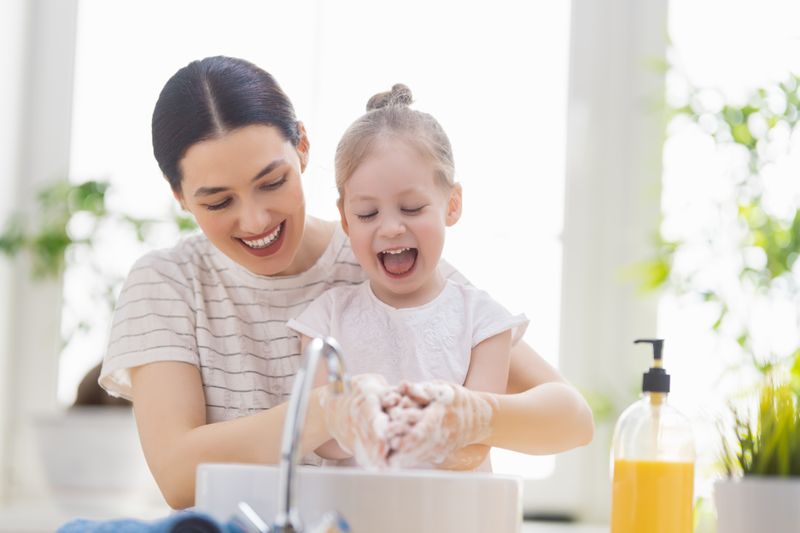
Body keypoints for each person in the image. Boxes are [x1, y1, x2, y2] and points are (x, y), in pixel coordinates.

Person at [99, 55, 594, 510]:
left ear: (302, 147)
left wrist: (475, 415)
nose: (255, 220)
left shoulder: (380, 260)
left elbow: (570, 418)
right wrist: (324, 413)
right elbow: (178, 477)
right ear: (180, 196)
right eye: (218, 201)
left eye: (272, 182)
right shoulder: (168, 283)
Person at [287, 84, 528, 470]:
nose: (391, 228)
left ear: (452, 205)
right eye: (367, 214)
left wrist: (436, 422)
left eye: (412, 208)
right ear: (345, 219)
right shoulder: (324, 320)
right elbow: (322, 442)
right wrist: (356, 418)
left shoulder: (484, 323)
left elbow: (474, 449)